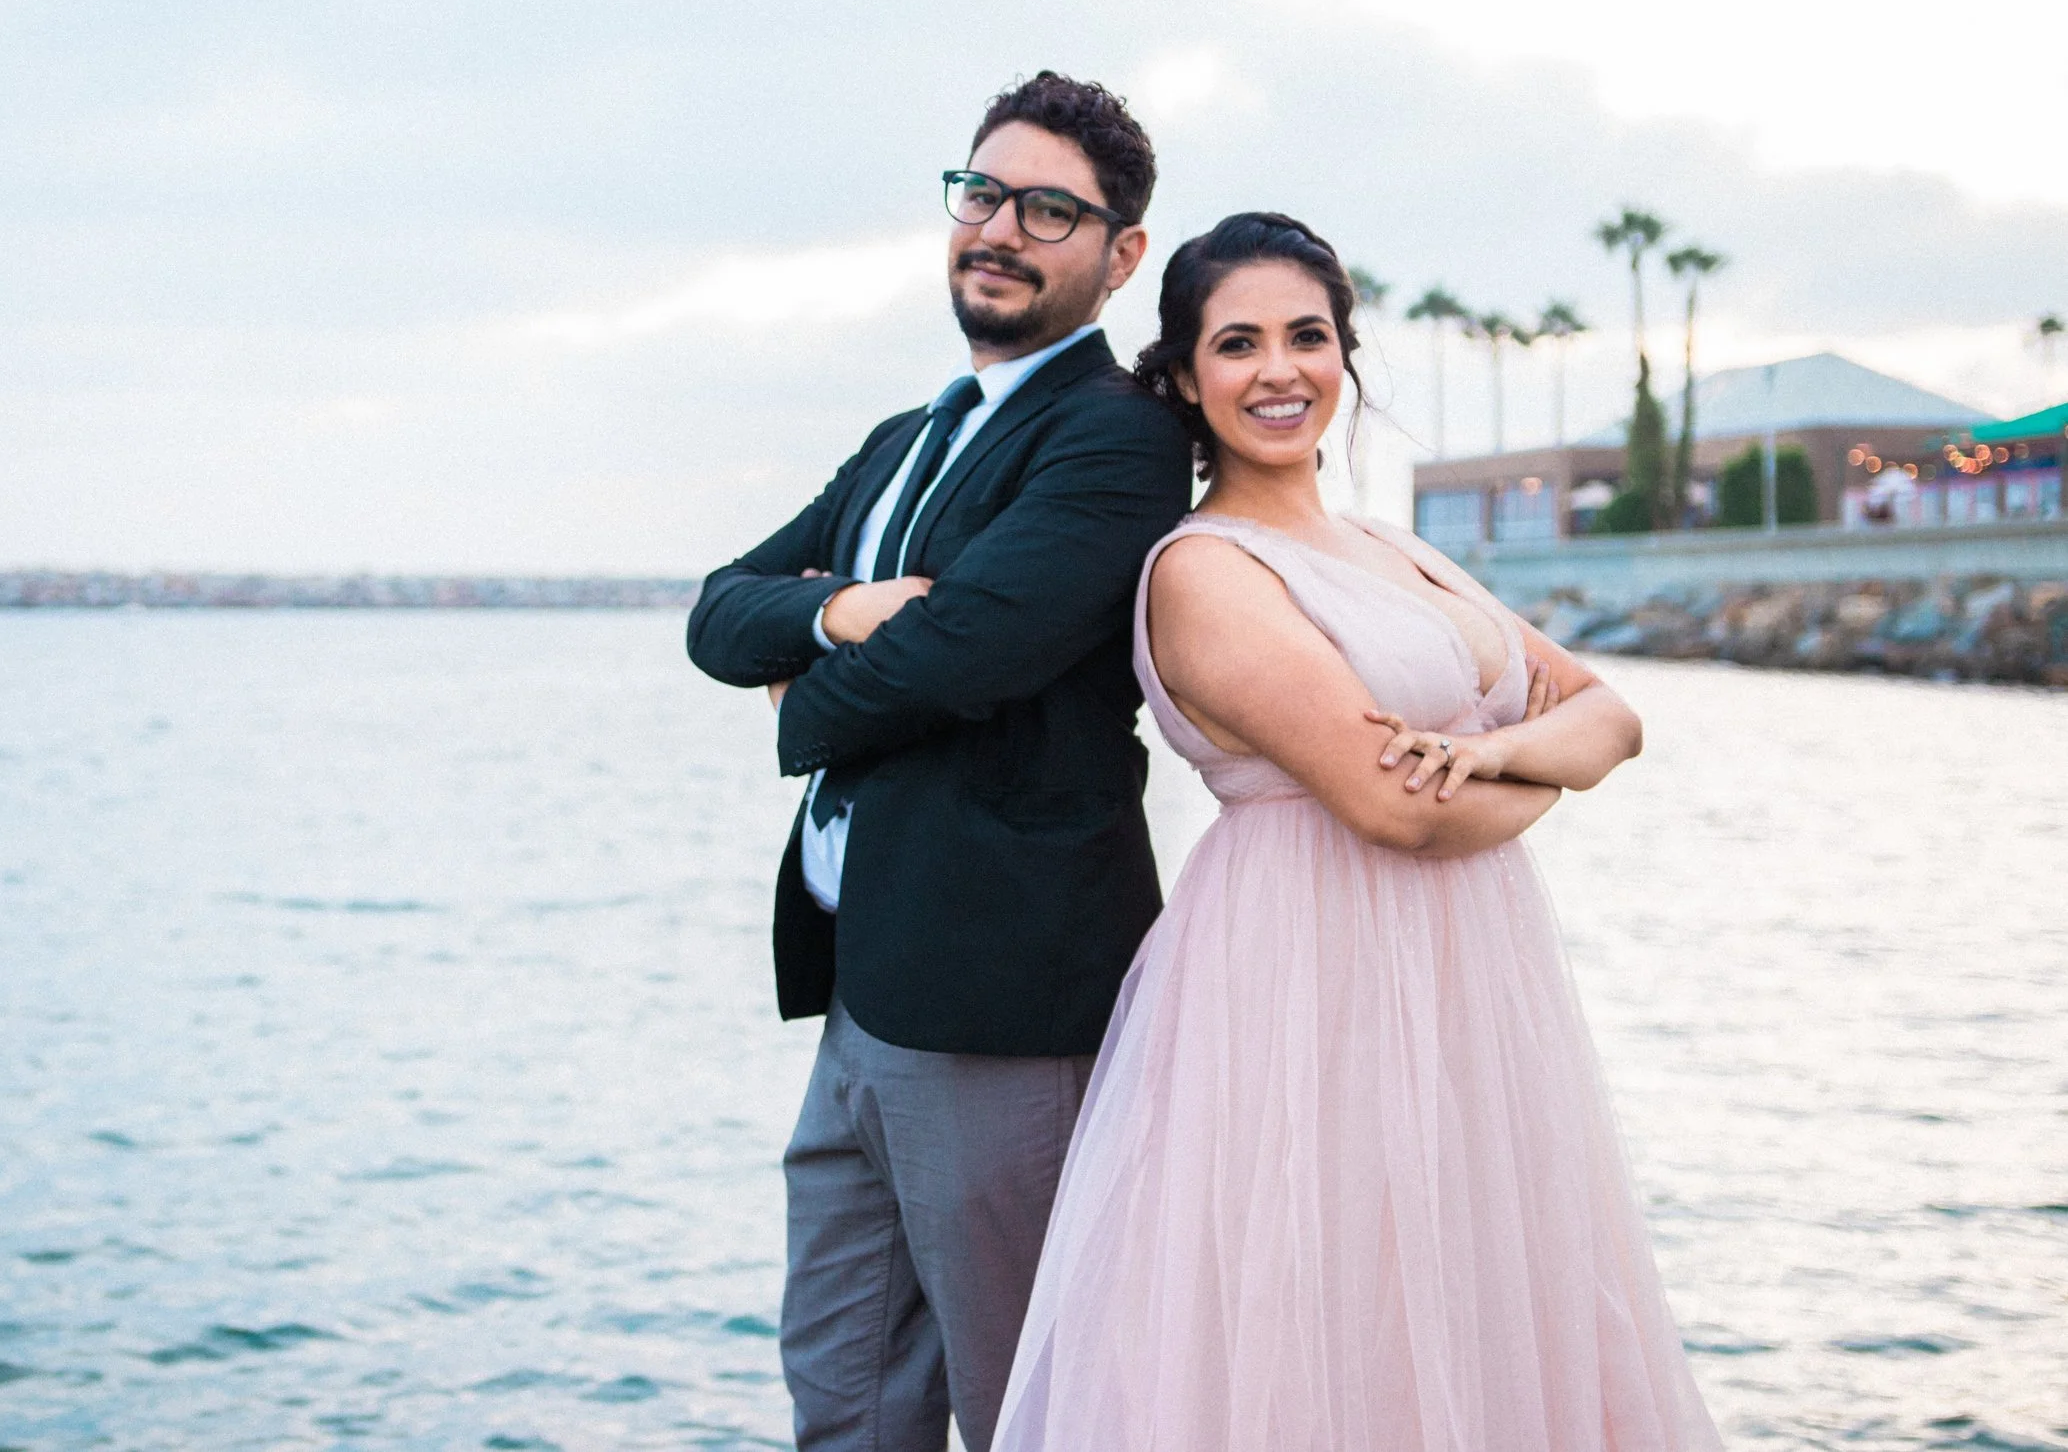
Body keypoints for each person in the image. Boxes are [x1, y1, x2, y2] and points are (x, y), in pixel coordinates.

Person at [991, 212, 1724, 1451]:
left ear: (1344, 353)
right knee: (1331, 1317)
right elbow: (1393, 806)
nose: (1279, 370)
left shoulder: (1392, 546)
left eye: (1307, 336)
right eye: (1237, 343)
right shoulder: (1203, 571)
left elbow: (1612, 715)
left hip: (1471, 987)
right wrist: (1539, 774)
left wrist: (1493, 755)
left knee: (1478, 1296)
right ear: (1184, 377)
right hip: (1304, 989)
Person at [684, 72, 1193, 1451]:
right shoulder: (904, 439)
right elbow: (718, 610)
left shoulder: (1118, 436)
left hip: (1000, 1004)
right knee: (844, 1384)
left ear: (1121, 254)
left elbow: (964, 652)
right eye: (982, 192)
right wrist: (845, 609)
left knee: (1030, 1401)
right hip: (860, 987)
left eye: (1048, 209)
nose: (1000, 228)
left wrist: (801, 704)